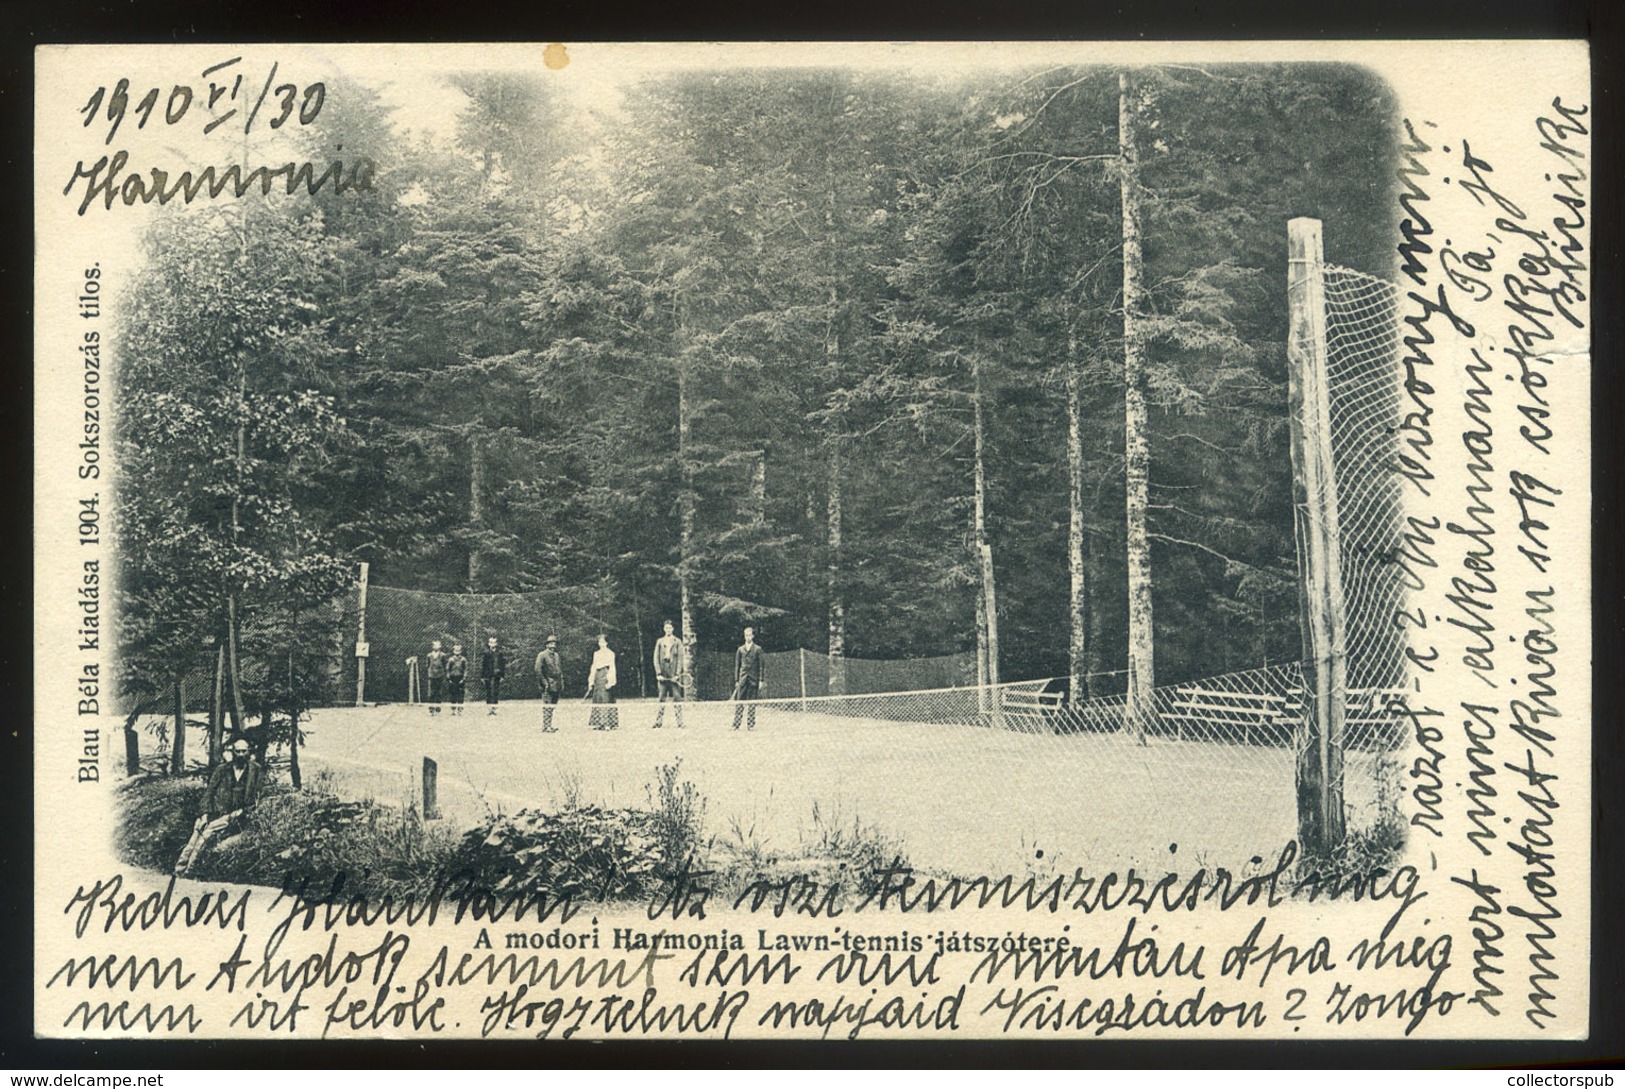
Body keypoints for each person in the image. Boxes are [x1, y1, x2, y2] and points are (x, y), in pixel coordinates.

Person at [174, 737, 263, 876]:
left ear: (248, 752)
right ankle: (179, 869)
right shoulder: (222, 769)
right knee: (197, 830)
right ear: (232, 752)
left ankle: (189, 870)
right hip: (215, 811)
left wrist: (241, 812)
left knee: (207, 832)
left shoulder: (256, 770)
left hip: (237, 813)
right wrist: (204, 815)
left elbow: (258, 796)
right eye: (237, 751)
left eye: (243, 751)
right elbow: (209, 793)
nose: (240, 754)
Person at [651, 619, 685, 729]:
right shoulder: (660, 642)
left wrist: (677, 674)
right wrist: (658, 673)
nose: (668, 630)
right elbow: (655, 658)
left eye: (670, 628)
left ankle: (680, 722)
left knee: (677, 698)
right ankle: (658, 722)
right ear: (664, 629)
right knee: (661, 698)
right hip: (663, 675)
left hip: (674, 675)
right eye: (666, 628)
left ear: (673, 629)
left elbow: (680, 658)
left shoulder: (677, 642)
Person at [731, 625, 764, 731]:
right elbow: (737, 665)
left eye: (749, 635)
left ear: (753, 636)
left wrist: (761, 680)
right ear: (744, 636)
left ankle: (751, 725)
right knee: (739, 702)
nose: (748, 637)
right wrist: (736, 680)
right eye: (746, 635)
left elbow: (761, 666)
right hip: (743, 680)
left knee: (752, 703)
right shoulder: (740, 649)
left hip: (753, 680)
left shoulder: (758, 649)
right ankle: (736, 725)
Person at [587, 633, 619, 730]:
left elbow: (612, 667)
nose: (602, 644)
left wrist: (610, 681)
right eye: (600, 642)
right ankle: (599, 723)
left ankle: (608, 723)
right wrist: (591, 681)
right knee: (598, 699)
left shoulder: (610, 653)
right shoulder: (596, 653)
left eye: (603, 642)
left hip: (606, 675)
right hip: (598, 676)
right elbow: (593, 667)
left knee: (606, 698)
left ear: (607, 643)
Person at [534, 634, 563, 732]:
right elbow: (538, 670)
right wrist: (544, 682)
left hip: (556, 684)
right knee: (547, 704)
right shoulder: (542, 655)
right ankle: (546, 726)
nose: (553, 646)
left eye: (554, 644)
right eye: (551, 644)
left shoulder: (556, 655)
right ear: (546, 645)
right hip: (547, 685)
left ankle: (549, 725)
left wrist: (561, 682)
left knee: (553, 705)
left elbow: (559, 670)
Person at [480, 636, 506, 715]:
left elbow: (502, 665)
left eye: (494, 642)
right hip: (488, 675)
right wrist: (482, 676)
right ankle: (489, 709)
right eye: (491, 642)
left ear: (496, 643)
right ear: (488, 643)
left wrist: (502, 675)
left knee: (495, 691)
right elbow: (483, 665)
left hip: (497, 675)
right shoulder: (486, 653)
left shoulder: (500, 654)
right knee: (488, 691)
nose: (492, 644)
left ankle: (494, 709)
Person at [425, 640, 448, 715]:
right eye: (434, 645)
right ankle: (431, 710)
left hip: (440, 676)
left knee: (439, 692)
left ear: (440, 646)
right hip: (432, 676)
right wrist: (430, 672)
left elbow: (445, 665)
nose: (436, 647)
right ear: (432, 646)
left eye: (437, 645)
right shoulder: (429, 655)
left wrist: (443, 674)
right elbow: (427, 665)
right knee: (431, 693)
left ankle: (438, 710)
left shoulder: (443, 655)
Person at [446, 643, 468, 715]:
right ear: (453, 651)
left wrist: (464, 678)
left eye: (459, 650)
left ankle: (460, 710)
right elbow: (447, 669)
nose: (457, 652)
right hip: (453, 678)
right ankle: (453, 710)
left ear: (461, 651)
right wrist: (449, 678)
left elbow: (465, 669)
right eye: (456, 650)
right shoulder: (450, 660)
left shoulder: (463, 660)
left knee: (461, 694)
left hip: (460, 678)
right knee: (453, 694)